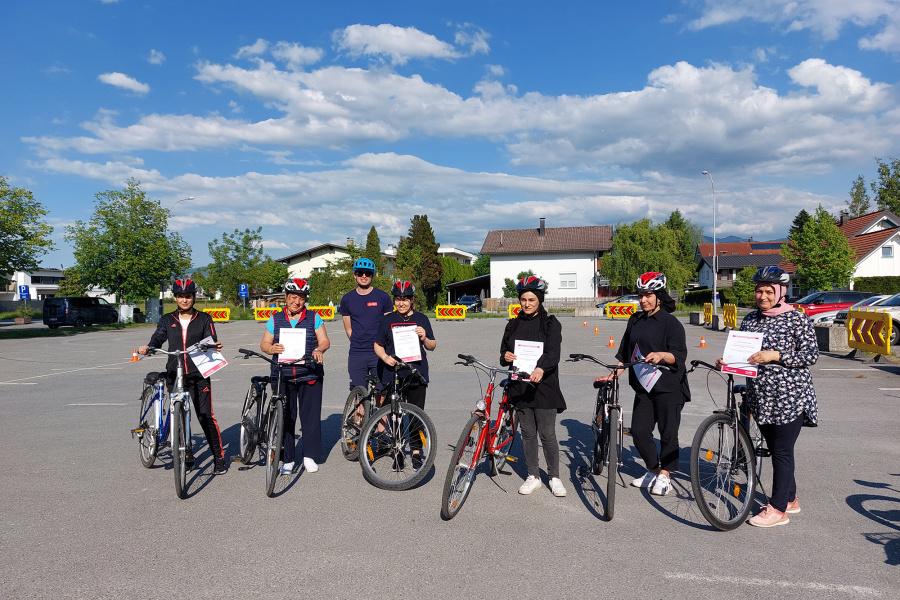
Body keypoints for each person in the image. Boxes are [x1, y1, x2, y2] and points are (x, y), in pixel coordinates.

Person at [717, 266, 818, 528]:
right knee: (776, 450)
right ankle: (791, 498)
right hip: (760, 396)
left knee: (782, 451)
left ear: (781, 292)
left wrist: (777, 355)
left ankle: (778, 509)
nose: (762, 296)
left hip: (789, 396)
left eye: (768, 291)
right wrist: (727, 362)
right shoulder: (751, 318)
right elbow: (744, 354)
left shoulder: (796, 318)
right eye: (759, 290)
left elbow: (811, 355)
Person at [598, 271, 689, 497]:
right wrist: (612, 376)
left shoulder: (671, 323)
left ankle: (665, 476)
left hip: (669, 385)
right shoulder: (635, 320)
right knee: (639, 431)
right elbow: (625, 354)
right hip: (645, 386)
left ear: (659, 296)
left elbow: (679, 354)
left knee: (668, 433)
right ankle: (653, 469)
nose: (643, 300)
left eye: (648, 295)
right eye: (640, 295)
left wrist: (661, 355)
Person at [139, 278, 227, 475]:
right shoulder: (167, 320)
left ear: (194, 297)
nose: (184, 300)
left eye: (188, 296)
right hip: (174, 373)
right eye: (180, 296)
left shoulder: (204, 319)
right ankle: (186, 455)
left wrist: (214, 344)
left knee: (205, 416)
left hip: (198, 374)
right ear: (176, 298)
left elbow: (211, 338)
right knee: (177, 415)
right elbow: (157, 338)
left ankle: (219, 458)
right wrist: (149, 347)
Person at [500, 276, 568, 497]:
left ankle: (554, 477)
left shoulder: (551, 323)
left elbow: (553, 353)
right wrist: (506, 355)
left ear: (539, 299)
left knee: (547, 434)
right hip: (520, 386)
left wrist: (540, 368)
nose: (526, 304)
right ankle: (533, 476)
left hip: (544, 386)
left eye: (531, 299)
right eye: (523, 299)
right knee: (528, 434)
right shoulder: (513, 324)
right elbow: (504, 352)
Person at [260, 278, 330, 475]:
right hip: (282, 375)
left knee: (311, 417)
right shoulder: (275, 318)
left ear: (305, 299)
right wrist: (271, 347)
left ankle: (309, 456)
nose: (297, 302)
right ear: (286, 297)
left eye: (301, 298)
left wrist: (318, 349)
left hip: (309, 374)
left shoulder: (314, 317)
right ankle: (288, 458)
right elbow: (264, 343)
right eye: (293, 297)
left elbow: (325, 340)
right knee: (286, 417)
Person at [373, 281, 437, 469]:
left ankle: (416, 451)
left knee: (416, 414)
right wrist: (385, 357)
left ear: (411, 300)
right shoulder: (387, 319)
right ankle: (398, 451)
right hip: (394, 373)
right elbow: (377, 344)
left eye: (405, 299)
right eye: (398, 299)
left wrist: (424, 337)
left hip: (416, 373)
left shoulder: (421, 318)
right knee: (395, 415)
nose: (401, 303)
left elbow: (432, 346)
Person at [339, 258, 393, 391]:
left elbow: (389, 326)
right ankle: (360, 411)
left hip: (379, 351)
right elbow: (348, 329)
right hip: (357, 352)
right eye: (360, 273)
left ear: (372, 275)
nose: (364, 276)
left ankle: (380, 412)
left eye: (367, 273)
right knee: (358, 392)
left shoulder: (383, 297)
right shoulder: (347, 299)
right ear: (354, 275)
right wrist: (358, 341)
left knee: (381, 391)